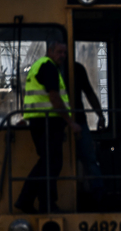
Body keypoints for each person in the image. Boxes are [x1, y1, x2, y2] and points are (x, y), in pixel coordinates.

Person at [15, 41, 81, 214]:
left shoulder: (39, 66)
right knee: (51, 163)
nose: (62, 56)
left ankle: (39, 202)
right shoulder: (48, 67)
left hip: (40, 121)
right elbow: (54, 98)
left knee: (48, 163)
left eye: (64, 53)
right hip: (47, 121)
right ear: (50, 51)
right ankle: (34, 201)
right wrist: (70, 122)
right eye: (59, 52)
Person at [73, 62, 105, 203]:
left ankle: (98, 195)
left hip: (77, 122)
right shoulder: (48, 70)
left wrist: (101, 115)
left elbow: (89, 92)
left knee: (89, 158)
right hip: (62, 123)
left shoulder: (77, 69)